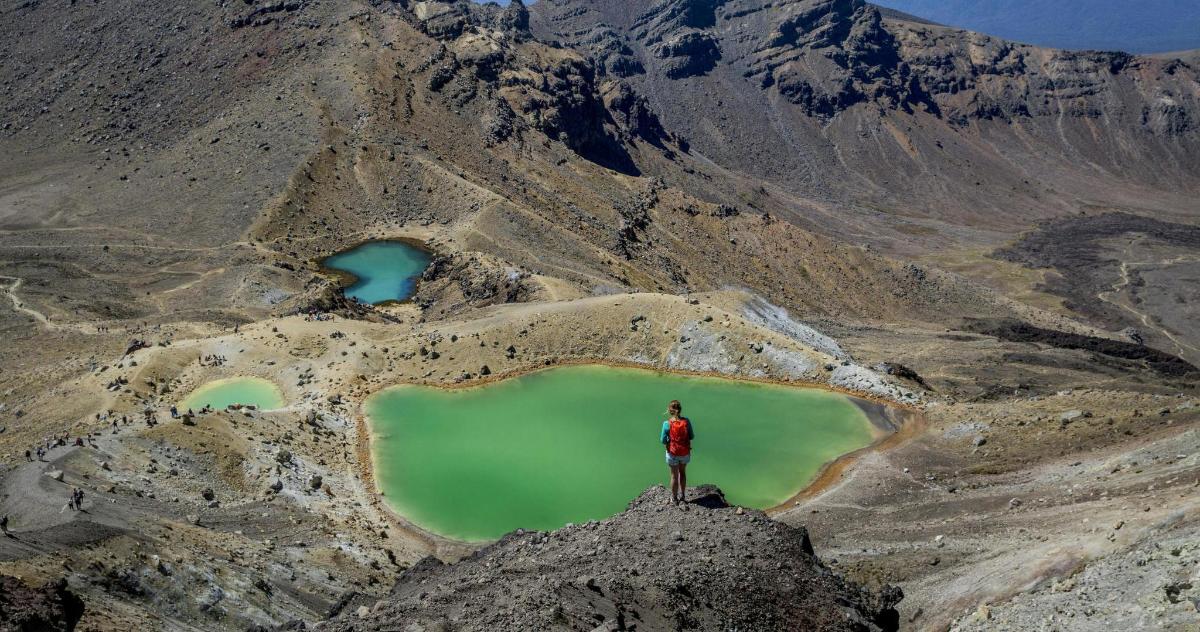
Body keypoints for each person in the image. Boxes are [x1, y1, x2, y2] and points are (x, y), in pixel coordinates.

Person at [660, 399, 694, 504]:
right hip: (684, 452)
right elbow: (691, 436)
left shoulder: (667, 423)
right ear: (680, 410)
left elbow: (662, 440)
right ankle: (683, 496)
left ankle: (674, 498)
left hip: (672, 453)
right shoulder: (686, 421)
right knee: (682, 473)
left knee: (674, 475)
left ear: (669, 410)